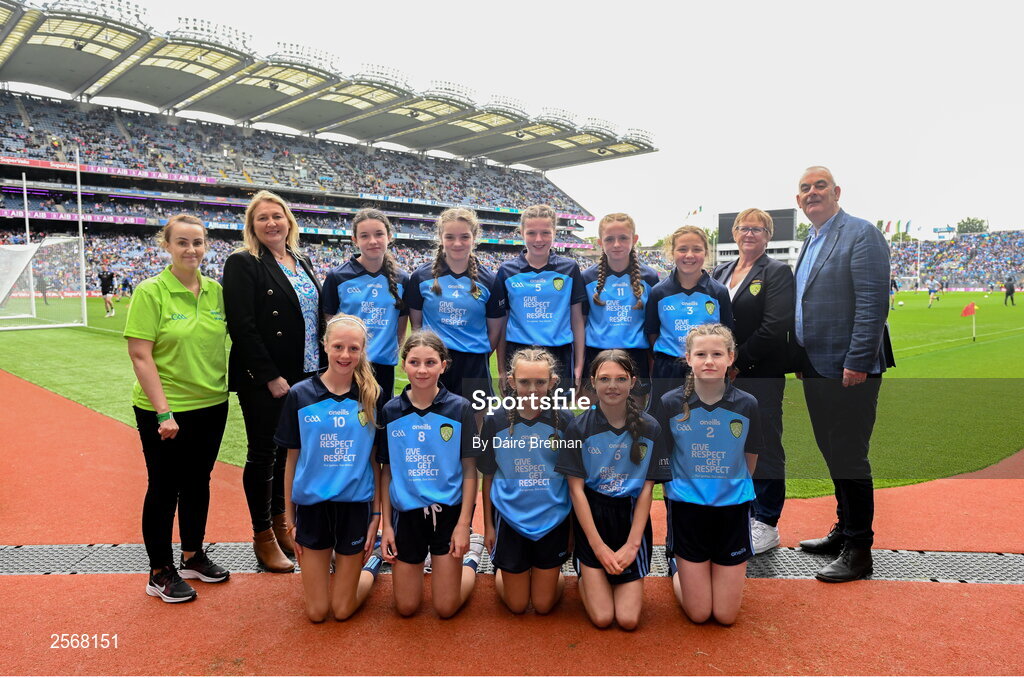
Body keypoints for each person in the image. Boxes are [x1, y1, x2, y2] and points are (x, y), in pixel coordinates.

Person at [792, 166, 894, 583]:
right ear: (798, 201)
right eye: (804, 189)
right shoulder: (810, 240)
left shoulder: (861, 233)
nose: (812, 193)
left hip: (849, 367)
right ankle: (843, 530)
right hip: (816, 365)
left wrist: (857, 361)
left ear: (836, 192)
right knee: (832, 451)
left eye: (820, 186)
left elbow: (873, 303)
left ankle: (859, 549)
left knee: (849, 454)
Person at [124, 214, 230, 603]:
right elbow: (139, 355)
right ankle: (159, 571)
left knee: (198, 481)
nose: (191, 250)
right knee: (164, 487)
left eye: (198, 242)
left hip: (212, 402)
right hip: (165, 408)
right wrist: (163, 412)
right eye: (182, 242)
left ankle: (192, 554)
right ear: (166, 245)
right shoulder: (151, 292)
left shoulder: (217, 291)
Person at [222, 190, 323, 573]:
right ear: (252, 226)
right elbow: (242, 327)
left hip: (306, 373)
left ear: (289, 221)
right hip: (267, 378)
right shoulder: (243, 263)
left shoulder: (301, 260)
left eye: (277, 216)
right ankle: (262, 534)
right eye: (262, 218)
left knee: (288, 455)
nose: (271, 223)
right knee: (263, 454)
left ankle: (282, 525)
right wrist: (270, 376)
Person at [275, 314, 384, 622]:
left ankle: (371, 567)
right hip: (312, 507)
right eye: (338, 346)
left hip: (354, 507)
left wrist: (375, 517)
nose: (345, 355)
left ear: (363, 350)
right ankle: (341, 569)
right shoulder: (300, 394)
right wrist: (289, 517)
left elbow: (376, 463)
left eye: (353, 348)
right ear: (324, 345)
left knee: (342, 610)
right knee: (317, 612)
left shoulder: (371, 396)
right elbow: (291, 461)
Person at [555, 350, 668, 630]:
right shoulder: (578, 427)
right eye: (604, 379)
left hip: (630, 520)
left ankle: (620, 571)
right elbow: (576, 491)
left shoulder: (650, 427)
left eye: (620, 379)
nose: (612, 386)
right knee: (603, 618)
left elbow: (646, 491)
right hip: (592, 518)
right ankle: (586, 571)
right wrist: (598, 547)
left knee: (628, 620)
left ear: (632, 381)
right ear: (593, 382)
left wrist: (632, 545)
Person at [658, 324, 760, 625]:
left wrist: (730, 488)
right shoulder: (670, 404)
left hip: (732, 510)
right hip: (688, 509)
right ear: (688, 358)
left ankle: (709, 570)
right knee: (700, 614)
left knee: (726, 616)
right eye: (701, 354)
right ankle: (675, 564)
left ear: (730, 358)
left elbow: (750, 459)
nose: (709, 361)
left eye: (717, 354)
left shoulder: (747, 404)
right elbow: (664, 458)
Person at [378, 330, 485, 618]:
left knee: (445, 608)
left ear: (443, 365)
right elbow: (386, 472)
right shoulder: (391, 411)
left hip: (448, 514)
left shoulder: (460, 408)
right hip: (407, 516)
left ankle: (471, 559)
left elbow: (470, 470)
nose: (422, 370)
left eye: (430, 362)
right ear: (403, 365)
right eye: (414, 362)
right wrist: (387, 526)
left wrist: (464, 524)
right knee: (406, 607)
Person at [711, 209, 794, 554]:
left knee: (764, 445)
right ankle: (743, 512)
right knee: (731, 443)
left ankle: (767, 521)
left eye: (757, 229)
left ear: (768, 235)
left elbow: (775, 326)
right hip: (723, 374)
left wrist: (737, 361)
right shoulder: (721, 271)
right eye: (744, 228)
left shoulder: (776, 271)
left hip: (759, 373)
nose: (749, 233)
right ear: (734, 232)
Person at [479, 347, 573, 614]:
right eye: (524, 382)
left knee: (542, 606)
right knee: (518, 605)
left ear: (553, 382)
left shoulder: (565, 421)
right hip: (510, 520)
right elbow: (488, 476)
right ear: (511, 381)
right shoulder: (495, 420)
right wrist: (488, 526)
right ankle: (507, 572)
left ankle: (547, 574)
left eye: (540, 382)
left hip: (552, 520)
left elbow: (573, 481)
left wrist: (571, 530)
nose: (532, 390)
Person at [405, 207, 504, 401]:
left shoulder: (490, 281)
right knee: (432, 423)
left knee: (474, 428)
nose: (457, 243)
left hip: (474, 367)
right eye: (450, 237)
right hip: (434, 363)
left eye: (464, 237)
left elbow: (495, 332)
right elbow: (416, 327)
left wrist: (473, 352)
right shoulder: (421, 277)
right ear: (440, 237)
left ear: (474, 238)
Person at [321, 209, 409, 411]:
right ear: (355, 240)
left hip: (384, 367)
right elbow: (330, 325)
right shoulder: (337, 277)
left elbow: (401, 327)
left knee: (380, 427)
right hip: (347, 364)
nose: (373, 241)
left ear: (389, 236)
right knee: (349, 425)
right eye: (365, 236)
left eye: (379, 234)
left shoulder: (403, 279)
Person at [495, 204, 586, 394]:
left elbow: (577, 320)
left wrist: (579, 365)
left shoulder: (569, 268)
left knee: (560, 417)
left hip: (559, 353)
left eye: (545, 233)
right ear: (521, 233)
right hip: (518, 354)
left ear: (555, 232)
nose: (538, 239)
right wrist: (502, 369)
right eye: (531, 233)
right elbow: (503, 323)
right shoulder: (507, 271)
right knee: (519, 416)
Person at [646, 226, 733, 405]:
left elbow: (727, 335)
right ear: (672, 253)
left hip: (707, 368)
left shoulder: (719, 292)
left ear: (706, 253)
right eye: (682, 249)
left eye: (697, 249)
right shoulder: (658, 292)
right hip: (667, 370)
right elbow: (652, 334)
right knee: (664, 421)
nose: (689, 255)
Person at [581, 212, 660, 394]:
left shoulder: (649, 277)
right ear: (600, 242)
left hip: (636, 357)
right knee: (595, 415)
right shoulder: (587, 278)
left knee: (635, 417)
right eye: (609, 239)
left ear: (635, 239)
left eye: (623, 238)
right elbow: (581, 322)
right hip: (596, 355)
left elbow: (653, 325)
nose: (616, 244)